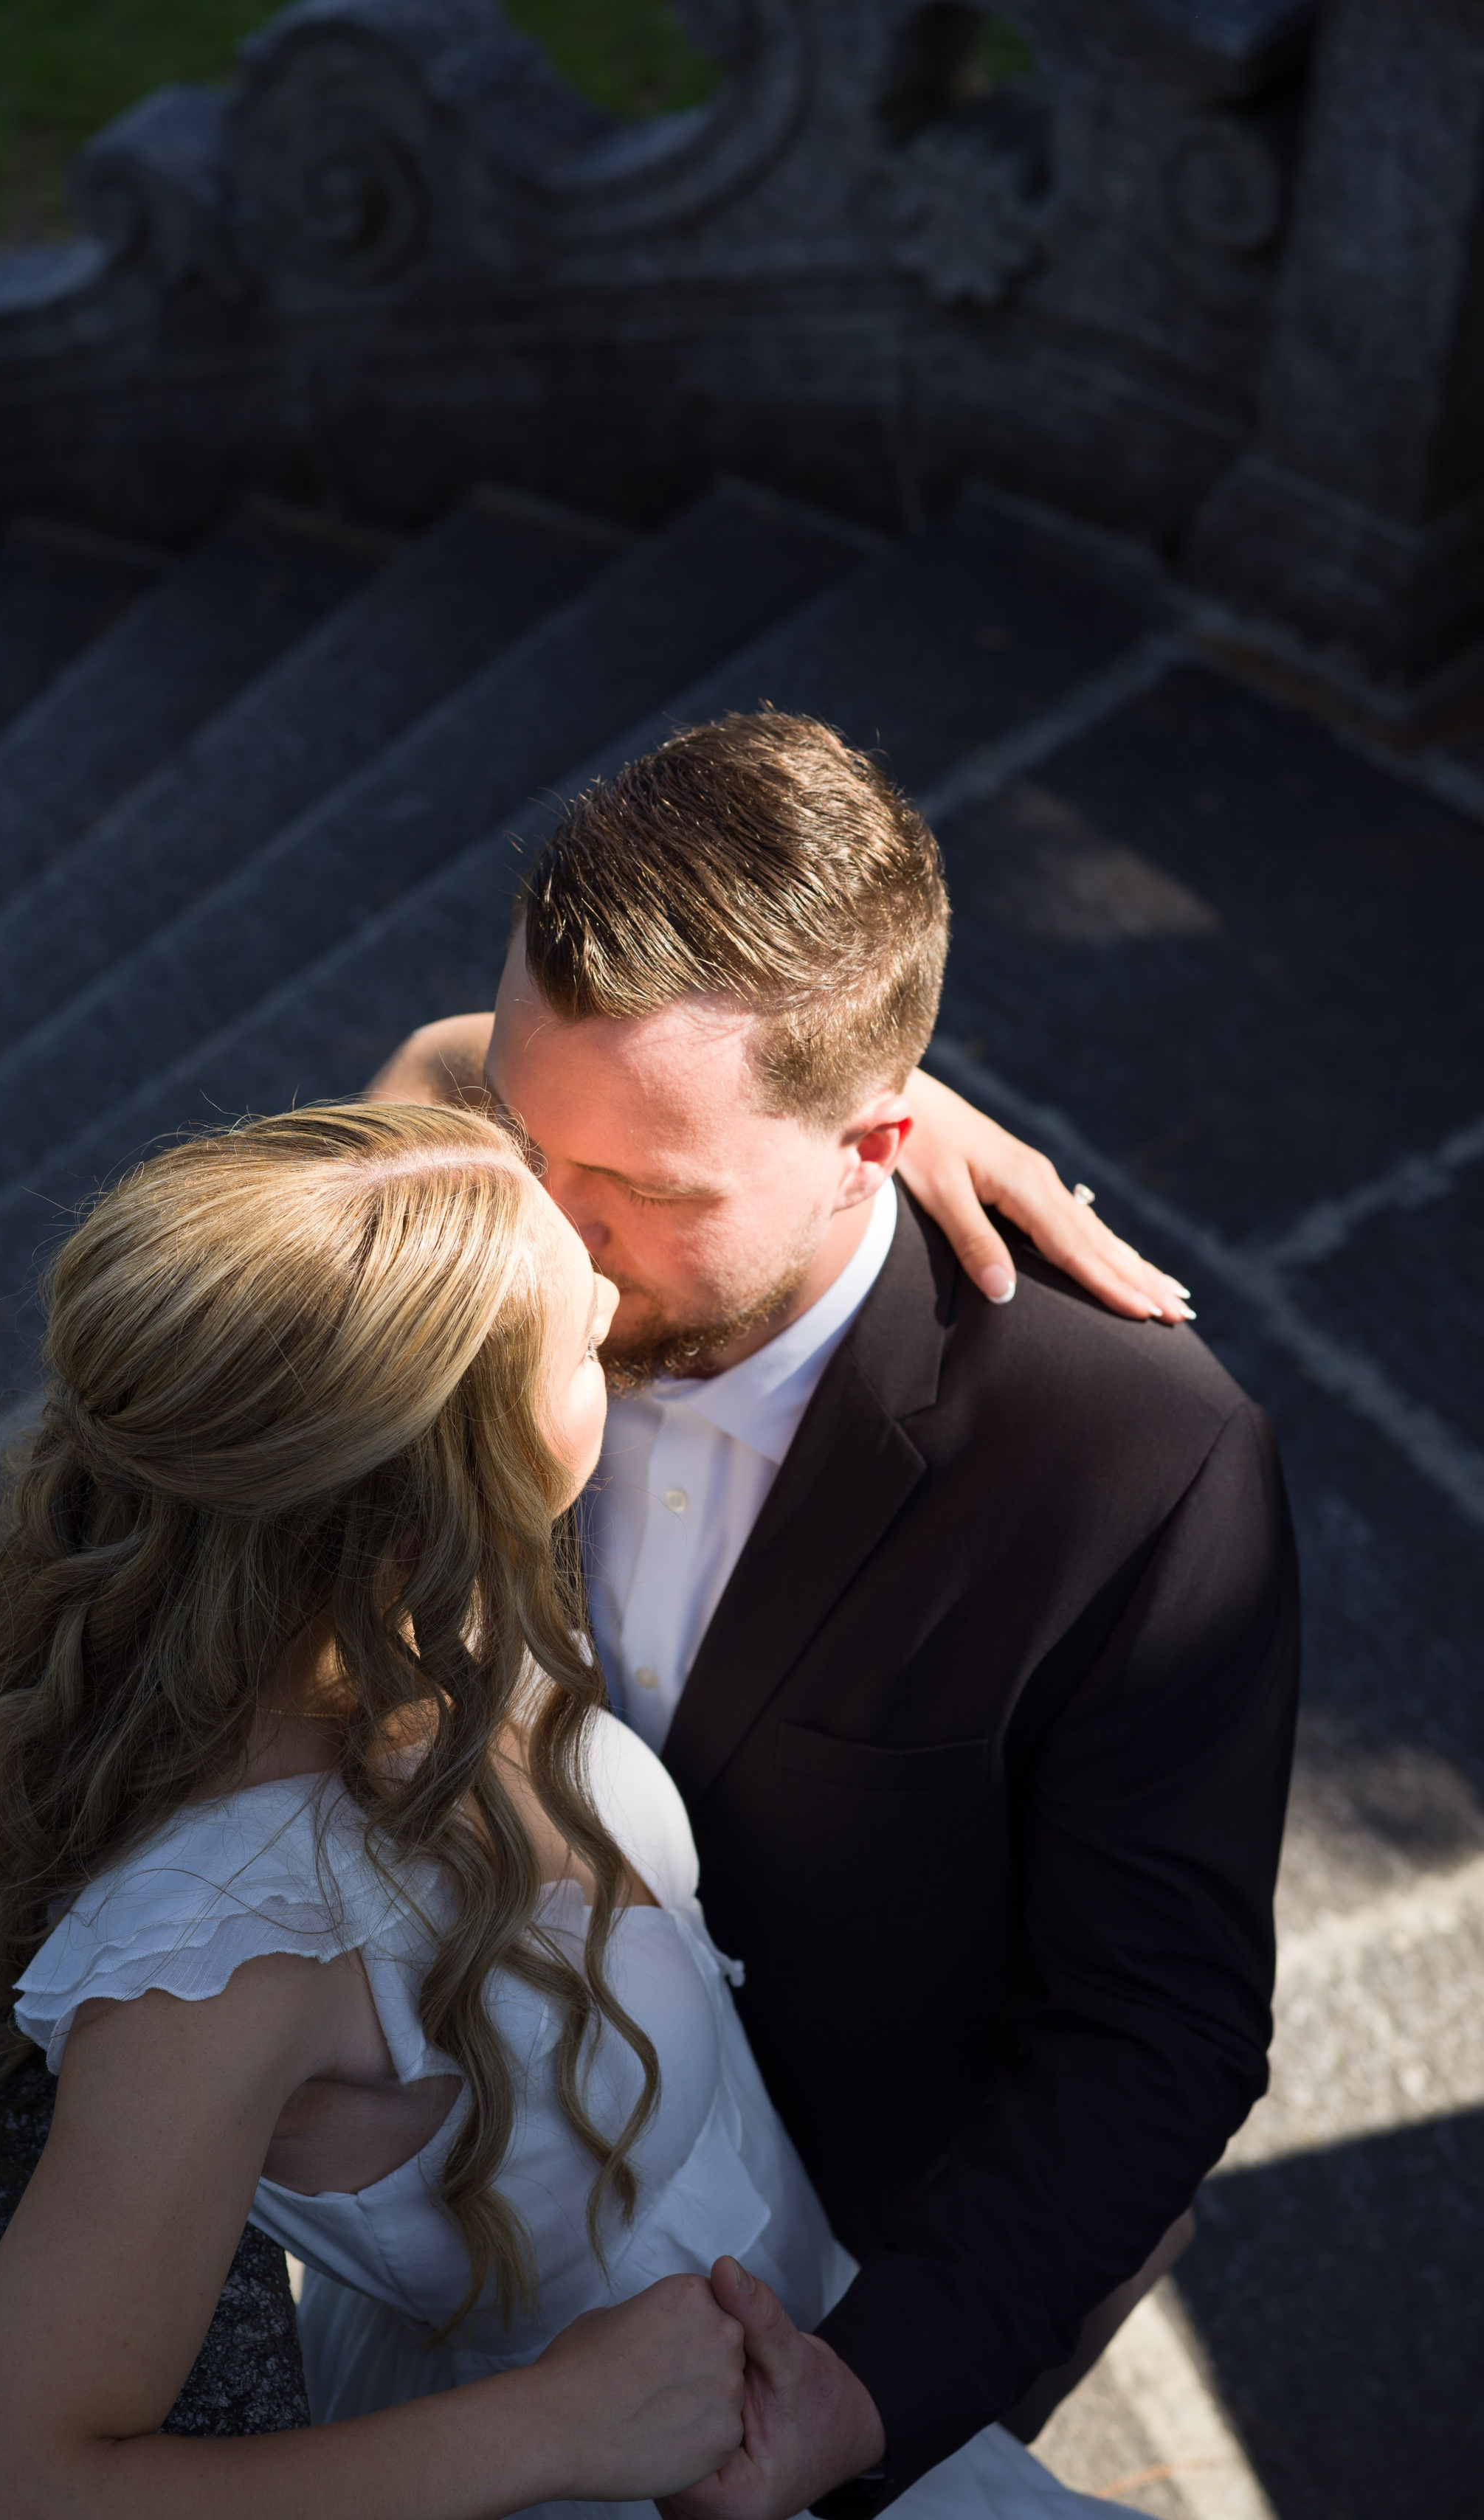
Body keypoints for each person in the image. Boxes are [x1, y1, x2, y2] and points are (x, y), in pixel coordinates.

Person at [0, 1102, 1131, 2520]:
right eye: (578, 1333)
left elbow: (447, 1087)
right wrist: (562, 2430)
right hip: (605, 2468)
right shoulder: (225, 1952)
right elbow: (3, 2491)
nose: (615, 1291)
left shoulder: (368, 1566)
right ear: (434, 1494)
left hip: (805, 2289)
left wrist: (848, 1116)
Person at [367, 710, 1300, 2515]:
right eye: (525, 1137)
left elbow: (1155, 2037)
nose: (543, 1246)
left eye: (640, 1190)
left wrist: (859, 2401)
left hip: (871, 2256)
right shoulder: (517, 1197)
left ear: (874, 1139)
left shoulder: (1139, 1467)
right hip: (501, 2162)